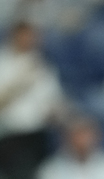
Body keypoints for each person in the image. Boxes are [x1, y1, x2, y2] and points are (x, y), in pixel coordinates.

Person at [0, 21, 65, 179]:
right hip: (8, 132)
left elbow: (54, 102)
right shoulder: (3, 62)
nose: (30, 40)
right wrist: (20, 84)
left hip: (38, 133)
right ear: (14, 36)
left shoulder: (42, 65)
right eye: (25, 35)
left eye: (33, 36)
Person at [37, 115, 104, 179]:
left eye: (86, 134)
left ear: (97, 137)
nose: (82, 140)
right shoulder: (50, 171)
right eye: (77, 134)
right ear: (65, 138)